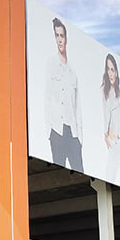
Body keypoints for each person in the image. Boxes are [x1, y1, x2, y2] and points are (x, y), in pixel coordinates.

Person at [45, 17, 83, 171]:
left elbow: (77, 107)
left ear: (66, 38)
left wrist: (80, 138)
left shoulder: (73, 72)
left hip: (72, 132)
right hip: (57, 130)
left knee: (80, 172)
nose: (59, 39)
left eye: (62, 36)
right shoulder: (51, 64)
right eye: (57, 35)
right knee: (58, 173)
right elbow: (47, 99)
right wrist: (49, 132)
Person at [101, 53, 120, 187]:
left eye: (112, 69)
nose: (110, 73)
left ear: (116, 73)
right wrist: (105, 135)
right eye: (108, 69)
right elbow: (104, 116)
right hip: (111, 146)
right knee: (108, 180)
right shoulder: (104, 92)